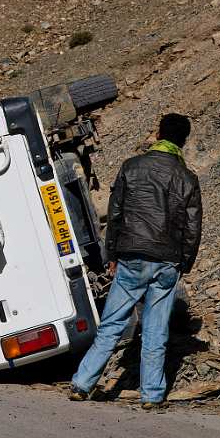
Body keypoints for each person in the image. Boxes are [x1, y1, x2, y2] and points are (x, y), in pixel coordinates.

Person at [70, 113, 202, 409]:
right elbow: (193, 227)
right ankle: (152, 396)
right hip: (167, 260)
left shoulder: (132, 166)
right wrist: (184, 263)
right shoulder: (186, 177)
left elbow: (115, 214)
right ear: (183, 140)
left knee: (112, 324)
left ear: (158, 134)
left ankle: (82, 382)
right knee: (157, 330)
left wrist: (111, 254)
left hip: (131, 256)